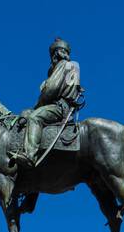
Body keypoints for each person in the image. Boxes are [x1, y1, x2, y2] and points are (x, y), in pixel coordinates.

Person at [10, 37, 82, 170]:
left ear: (58, 53)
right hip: (57, 105)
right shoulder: (71, 66)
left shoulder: (66, 65)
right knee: (27, 113)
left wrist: (37, 106)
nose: (53, 57)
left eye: (55, 53)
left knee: (34, 117)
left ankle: (30, 155)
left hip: (60, 107)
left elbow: (50, 90)